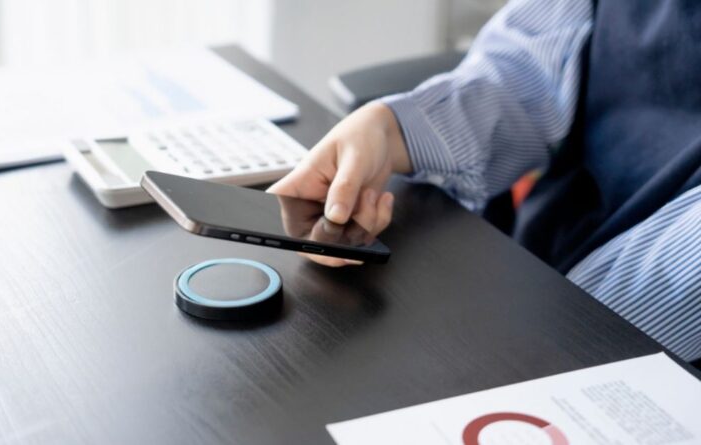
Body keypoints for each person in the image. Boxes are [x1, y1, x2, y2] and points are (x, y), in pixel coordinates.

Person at [269, 0, 701, 362]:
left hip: (632, 360)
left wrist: (547, 341)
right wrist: (393, 130)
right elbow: (529, 71)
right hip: (535, 274)